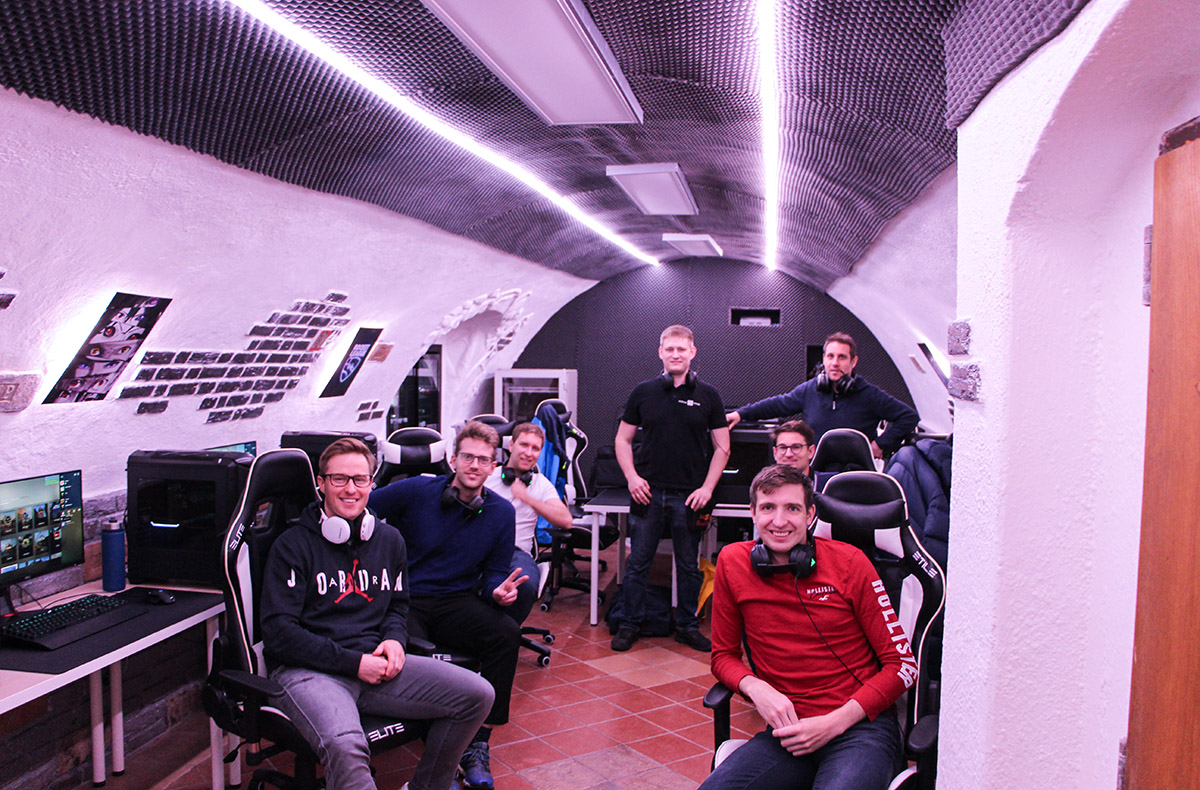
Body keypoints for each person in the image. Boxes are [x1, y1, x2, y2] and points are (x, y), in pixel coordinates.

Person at [260, 438, 494, 790]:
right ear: (321, 483)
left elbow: (397, 606)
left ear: (372, 483)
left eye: (359, 479)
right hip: (309, 672)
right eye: (339, 479)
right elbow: (280, 634)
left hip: (375, 666)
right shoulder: (291, 546)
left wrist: (394, 640)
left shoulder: (389, 540)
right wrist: (355, 663)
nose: (350, 489)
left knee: (477, 695)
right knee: (346, 746)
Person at [701, 464, 915, 790]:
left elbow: (903, 666)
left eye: (792, 508)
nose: (779, 521)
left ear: (810, 514)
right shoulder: (732, 563)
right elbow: (723, 657)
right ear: (753, 513)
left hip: (858, 729)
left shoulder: (851, 563)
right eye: (768, 508)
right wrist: (755, 688)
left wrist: (833, 723)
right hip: (789, 733)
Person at [369, 421, 524, 790]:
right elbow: (364, 505)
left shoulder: (501, 513)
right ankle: (439, 749)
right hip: (407, 599)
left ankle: (477, 743)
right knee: (410, 654)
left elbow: (494, 572)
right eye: (468, 457)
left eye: (483, 460)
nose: (474, 465)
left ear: (493, 467)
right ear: (453, 460)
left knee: (506, 634)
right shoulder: (416, 490)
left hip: (456, 600)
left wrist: (497, 593)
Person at [612, 325, 731, 653]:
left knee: (689, 566)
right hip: (647, 493)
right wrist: (632, 478)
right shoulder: (642, 392)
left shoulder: (709, 395)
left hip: (690, 496)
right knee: (638, 563)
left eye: (682, 349)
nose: (675, 355)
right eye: (670, 349)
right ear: (660, 352)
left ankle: (687, 626)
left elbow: (723, 447)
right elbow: (622, 439)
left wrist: (707, 488)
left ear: (693, 352)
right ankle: (630, 623)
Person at [726, 332, 919, 459]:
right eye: (830, 356)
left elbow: (908, 416)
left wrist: (879, 445)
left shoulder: (869, 394)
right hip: (817, 469)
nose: (835, 363)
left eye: (842, 357)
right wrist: (741, 414)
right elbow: (778, 404)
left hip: (856, 471)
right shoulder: (810, 390)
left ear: (853, 362)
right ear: (824, 359)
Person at [483, 422, 573, 624]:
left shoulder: (540, 484)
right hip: (482, 548)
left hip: (516, 553)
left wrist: (528, 499)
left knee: (526, 584)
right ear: (511, 445)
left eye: (535, 448)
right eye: (524, 445)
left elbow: (566, 521)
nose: (529, 453)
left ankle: (505, 631)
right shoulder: (488, 475)